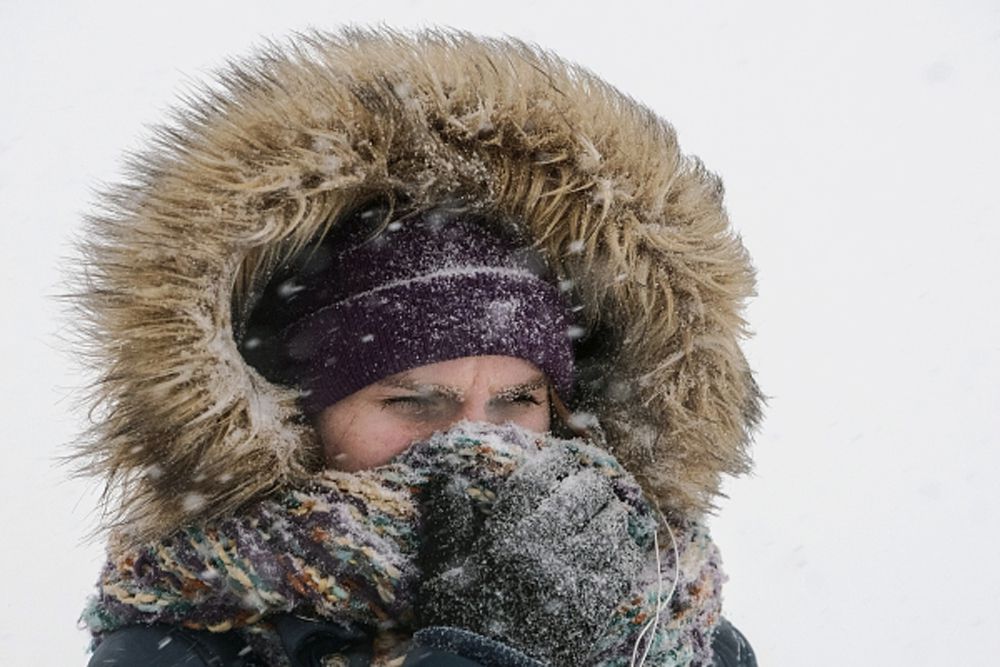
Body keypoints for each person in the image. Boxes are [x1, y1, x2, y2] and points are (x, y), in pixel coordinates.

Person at [72, 29, 762, 666]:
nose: (473, 438)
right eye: (415, 399)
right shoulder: (185, 638)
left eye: (519, 398)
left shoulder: (669, 609)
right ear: (294, 419)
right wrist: (484, 647)